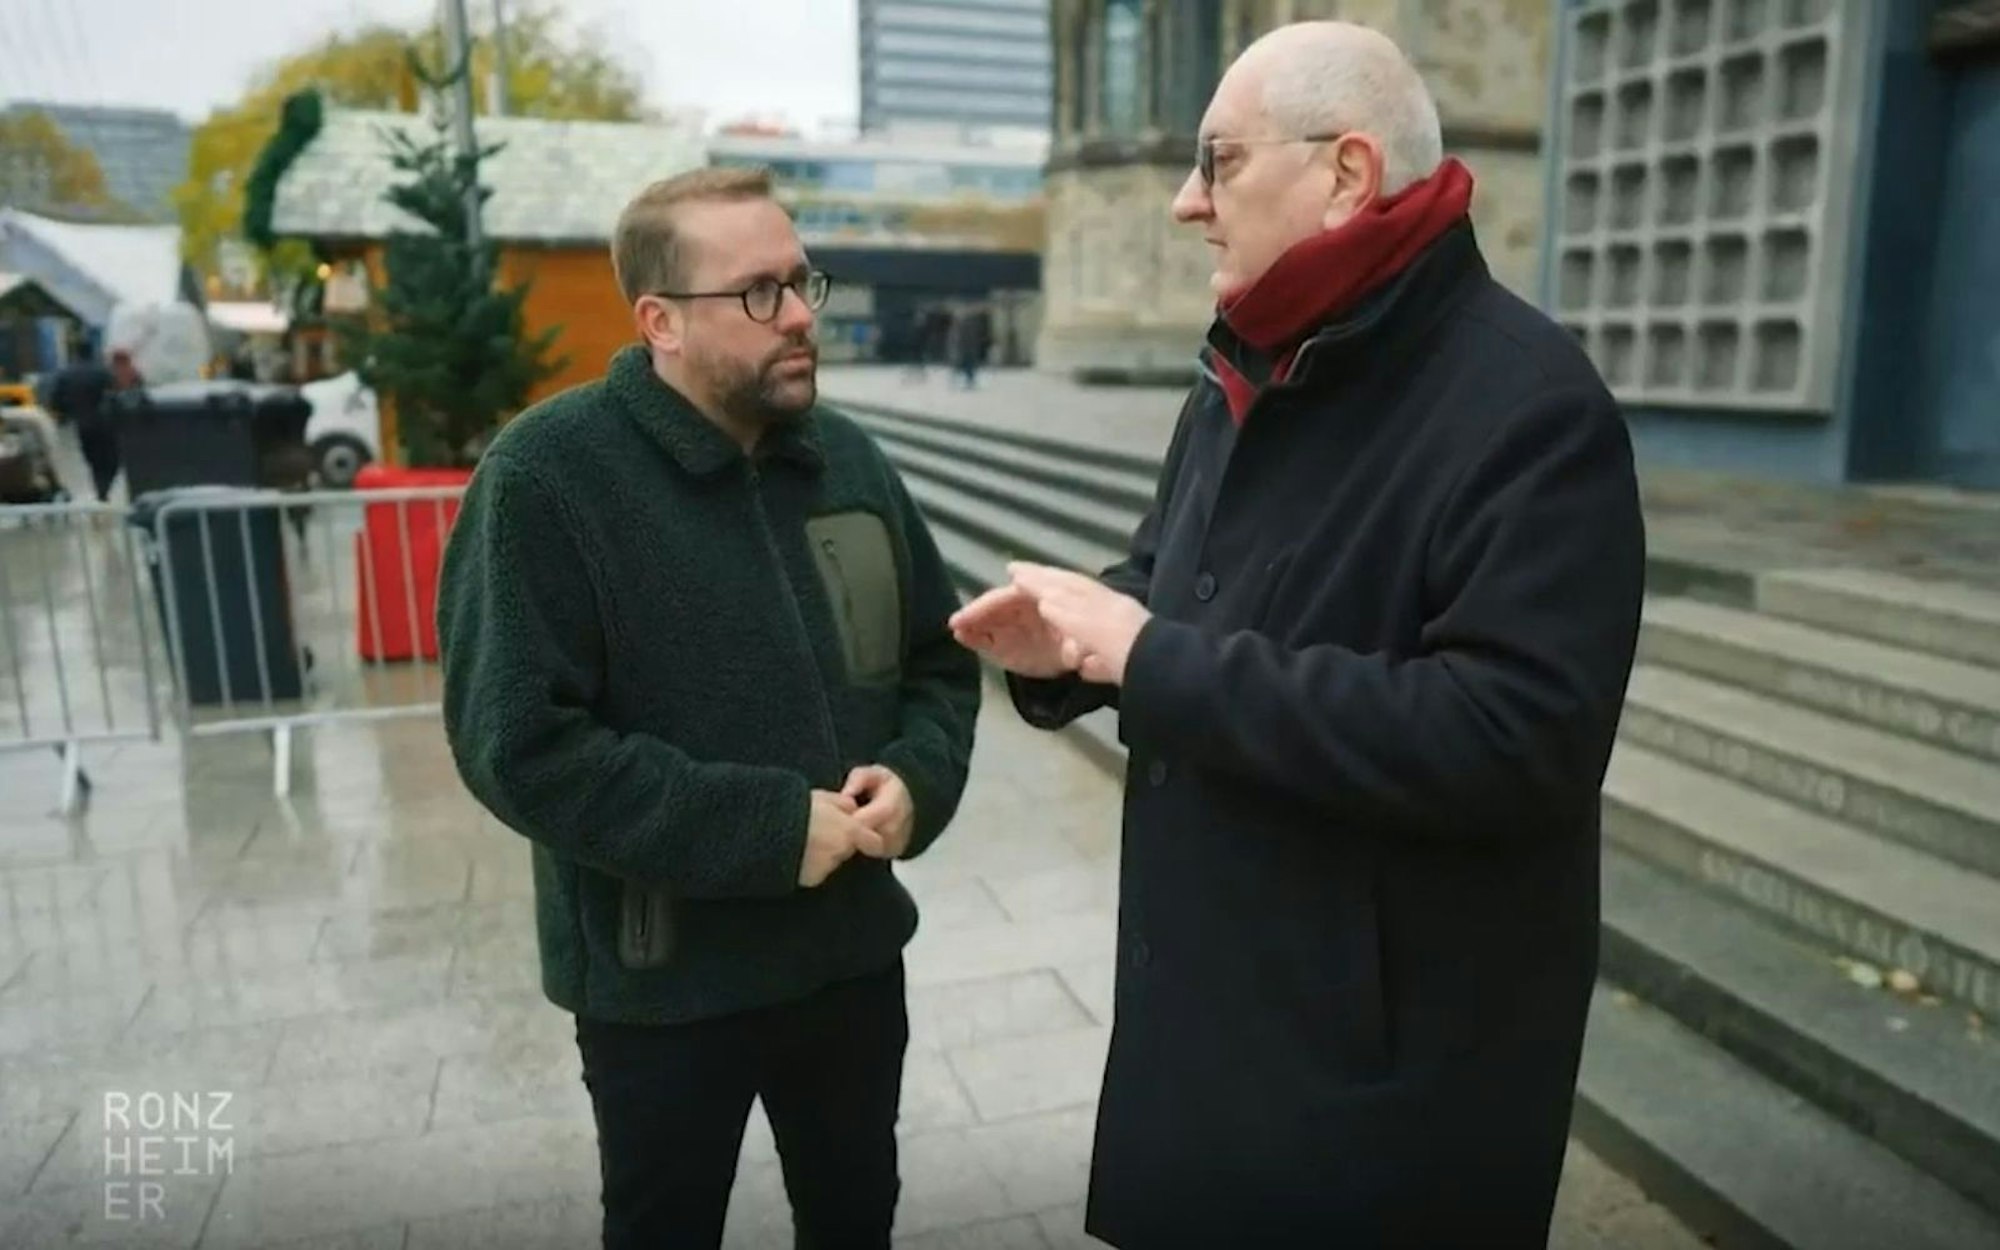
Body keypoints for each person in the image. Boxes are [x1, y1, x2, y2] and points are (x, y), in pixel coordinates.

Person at [951, 20, 1645, 1248]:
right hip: (1214, 1025)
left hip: (1382, 1082)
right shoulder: (1243, 368)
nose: (1184, 202)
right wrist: (1070, 638)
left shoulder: (1529, 404)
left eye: (1215, 161)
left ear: (1345, 174)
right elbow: (1176, 586)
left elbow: (1513, 736)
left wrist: (1149, 655)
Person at [436, 166, 982, 1249]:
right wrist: (768, 828)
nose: (796, 316)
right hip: (664, 987)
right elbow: (520, 745)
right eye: (756, 293)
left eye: (799, 282)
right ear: (659, 324)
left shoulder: (851, 461)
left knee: (855, 1215)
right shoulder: (546, 477)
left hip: (851, 960)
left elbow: (937, 659)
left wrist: (916, 779)